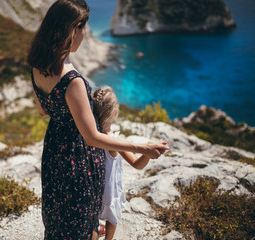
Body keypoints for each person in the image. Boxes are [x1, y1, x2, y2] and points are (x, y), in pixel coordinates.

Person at [27, 1, 169, 239]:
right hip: (77, 157)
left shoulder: (37, 66)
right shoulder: (72, 80)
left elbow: (43, 110)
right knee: (82, 218)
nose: (85, 34)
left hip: (53, 149)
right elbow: (91, 137)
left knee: (58, 214)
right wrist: (142, 147)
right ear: (73, 30)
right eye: (84, 28)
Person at [92, 86, 166, 240]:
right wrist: (148, 153)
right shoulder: (115, 141)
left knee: (91, 220)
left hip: (92, 188)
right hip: (109, 190)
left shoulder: (90, 135)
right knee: (111, 218)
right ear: (115, 113)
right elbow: (137, 164)